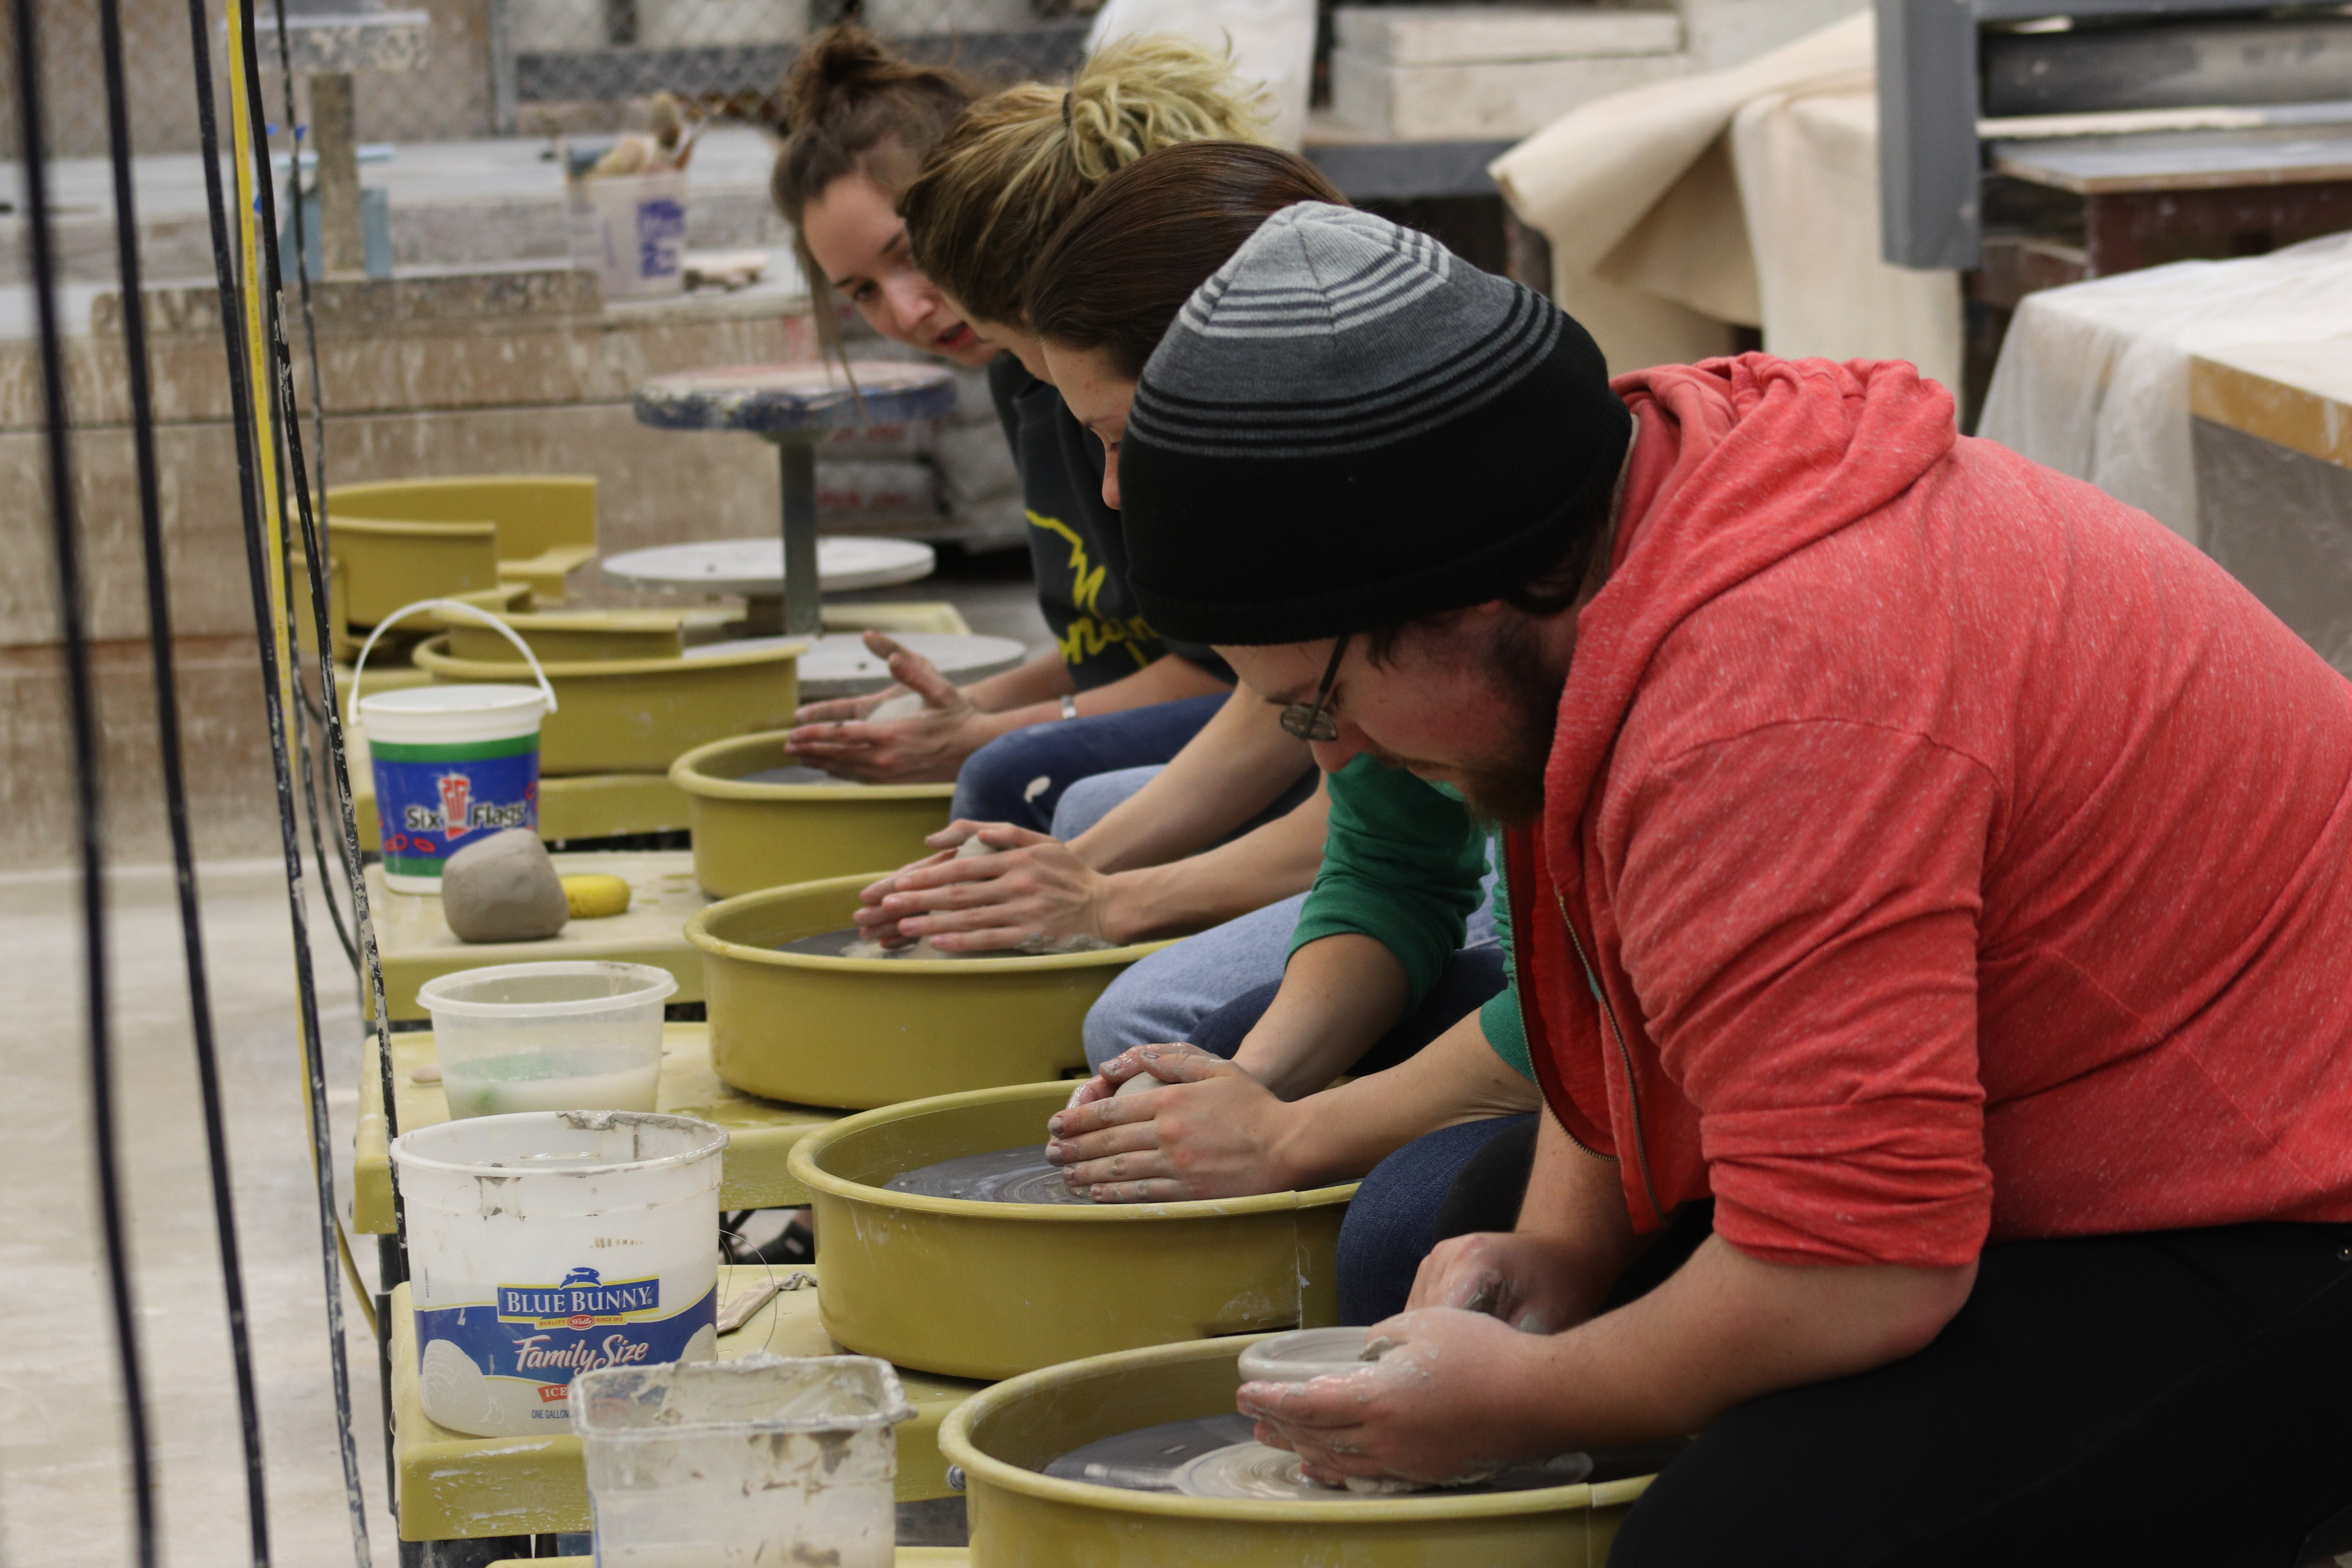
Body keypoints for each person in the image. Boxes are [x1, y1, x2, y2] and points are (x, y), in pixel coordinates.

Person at [1101, 201, 2352, 1563]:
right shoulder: (1626, 514)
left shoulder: (1770, 710)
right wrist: (1563, 1255)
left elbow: (1860, 1276)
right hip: (2049, 1113)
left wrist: (1524, 1402)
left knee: (1732, 1547)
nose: (1336, 754)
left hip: (2282, 1201)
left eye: (1319, 701)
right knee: (1460, 1229)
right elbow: (1622, 987)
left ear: (1474, 602)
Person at [774, 32, 1258, 829]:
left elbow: (1237, 671)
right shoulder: (1019, 373)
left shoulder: (1148, 357)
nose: (907, 311)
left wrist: (989, 734)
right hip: (1252, 707)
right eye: (862, 291)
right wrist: (960, 704)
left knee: (1014, 780)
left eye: (908, 253)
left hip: (1284, 720)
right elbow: (1120, 638)